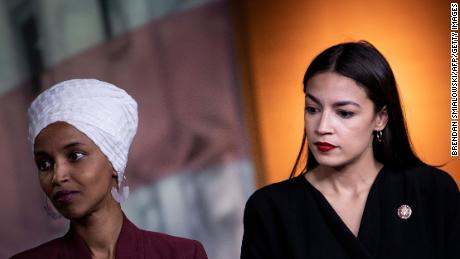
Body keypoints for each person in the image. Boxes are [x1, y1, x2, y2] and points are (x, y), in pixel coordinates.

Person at [241, 41, 459, 258]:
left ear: (381, 118)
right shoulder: (270, 209)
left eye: (344, 113)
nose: (322, 127)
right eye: (313, 109)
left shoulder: (431, 191)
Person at [11, 79, 208, 259]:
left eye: (75, 156)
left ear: (114, 160)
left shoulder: (182, 255)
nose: (57, 176)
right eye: (44, 164)